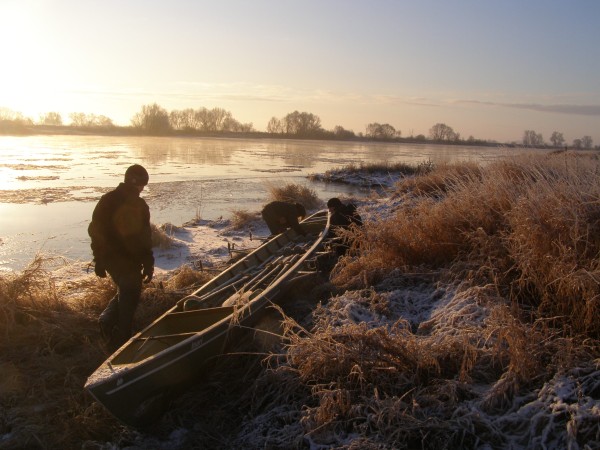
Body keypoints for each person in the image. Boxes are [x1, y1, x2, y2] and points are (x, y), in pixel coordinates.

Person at [88, 164, 154, 351]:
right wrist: (148, 262)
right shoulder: (139, 205)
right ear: (136, 182)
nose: (142, 189)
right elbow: (145, 238)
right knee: (130, 296)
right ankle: (120, 339)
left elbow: (95, 232)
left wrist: (99, 260)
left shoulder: (107, 199)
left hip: (112, 260)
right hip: (126, 260)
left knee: (126, 290)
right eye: (142, 185)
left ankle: (108, 322)